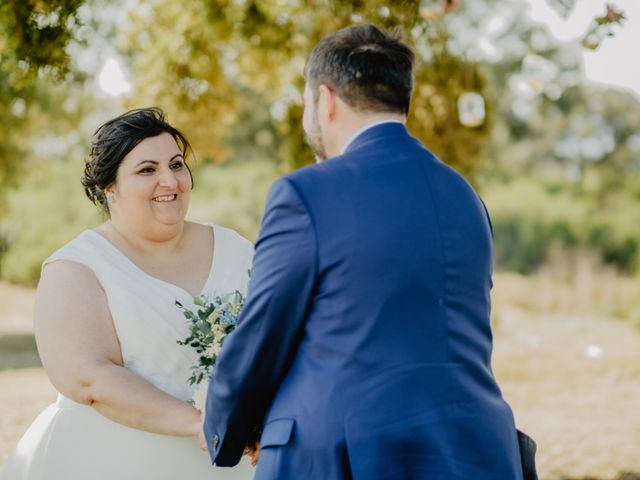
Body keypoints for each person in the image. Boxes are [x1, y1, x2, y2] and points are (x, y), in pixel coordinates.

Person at [202, 24, 527, 479]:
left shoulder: (307, 193)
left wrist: (224, 426)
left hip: (349, 457)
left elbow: (264, 333)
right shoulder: (465, 195)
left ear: (325, 100)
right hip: (473, 454)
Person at [0, 108, 254, 480]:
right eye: (147, 170)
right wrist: (200, 424)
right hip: (113, 462)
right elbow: (89, 378)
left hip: (236, 462)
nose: (170, 181)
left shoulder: (237, 249)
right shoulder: (75, 268)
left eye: (177, 165)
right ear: (110, 188)